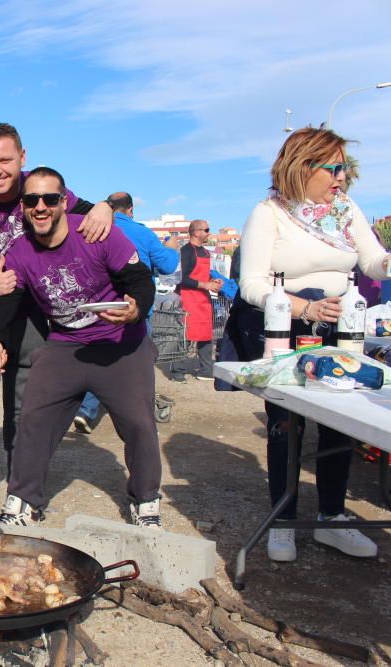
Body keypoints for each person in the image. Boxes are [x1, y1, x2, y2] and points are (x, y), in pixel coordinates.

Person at [0, 122, 113, 525]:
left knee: (27, 410)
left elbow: (86, 212)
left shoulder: (42, 188)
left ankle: (22, 493)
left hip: (31, 318)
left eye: (5, 160)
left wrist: (104, 206)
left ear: (23, 158)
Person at [233, 127, 390, 562]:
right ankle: (282, 520)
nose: (342, 177)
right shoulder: (269, 213)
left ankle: (332, 518)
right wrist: (302, 307)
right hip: (289, 329)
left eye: (345, 168)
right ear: (303, 166)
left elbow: (373, 262)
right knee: (287, 424)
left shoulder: (345, 211)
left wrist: (388, 259)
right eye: (334, 168)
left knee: (342, 421)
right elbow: (250, 284)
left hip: (345, 327)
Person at [0, 167, 160, 528]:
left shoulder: (96, 235)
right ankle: (23, 498)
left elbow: (140, 280)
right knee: (32, 417)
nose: (41, 207)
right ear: (23, 207)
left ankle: (145, 501)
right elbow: (7, 301)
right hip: (66, 344)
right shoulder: (20, 251)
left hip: (120, 343)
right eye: (32, 200)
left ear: (64, 202)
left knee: (139, 423)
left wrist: (134, 309)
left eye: (50, 199)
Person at [74, 192, 180, 433]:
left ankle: (86, 411)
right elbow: (167, 265)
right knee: (137, 365)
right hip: (135, 307)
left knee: (100, 359)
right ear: (130, 209)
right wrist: (172, 248)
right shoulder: (142, 232)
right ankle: (137, 418)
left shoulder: (92, 225)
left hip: (100, 305)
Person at [170, 219, 222, 381]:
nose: (209, 233)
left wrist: (214, 282)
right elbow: (182, 279)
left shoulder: (206, 252)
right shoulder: (186, 251)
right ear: (196, 232)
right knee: (186, 334)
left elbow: (205, 275)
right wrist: (205, 284)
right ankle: (177, 371)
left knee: (206, 335)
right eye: (206, 230)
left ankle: (206, 370)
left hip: (203, 299)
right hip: (188, 298)